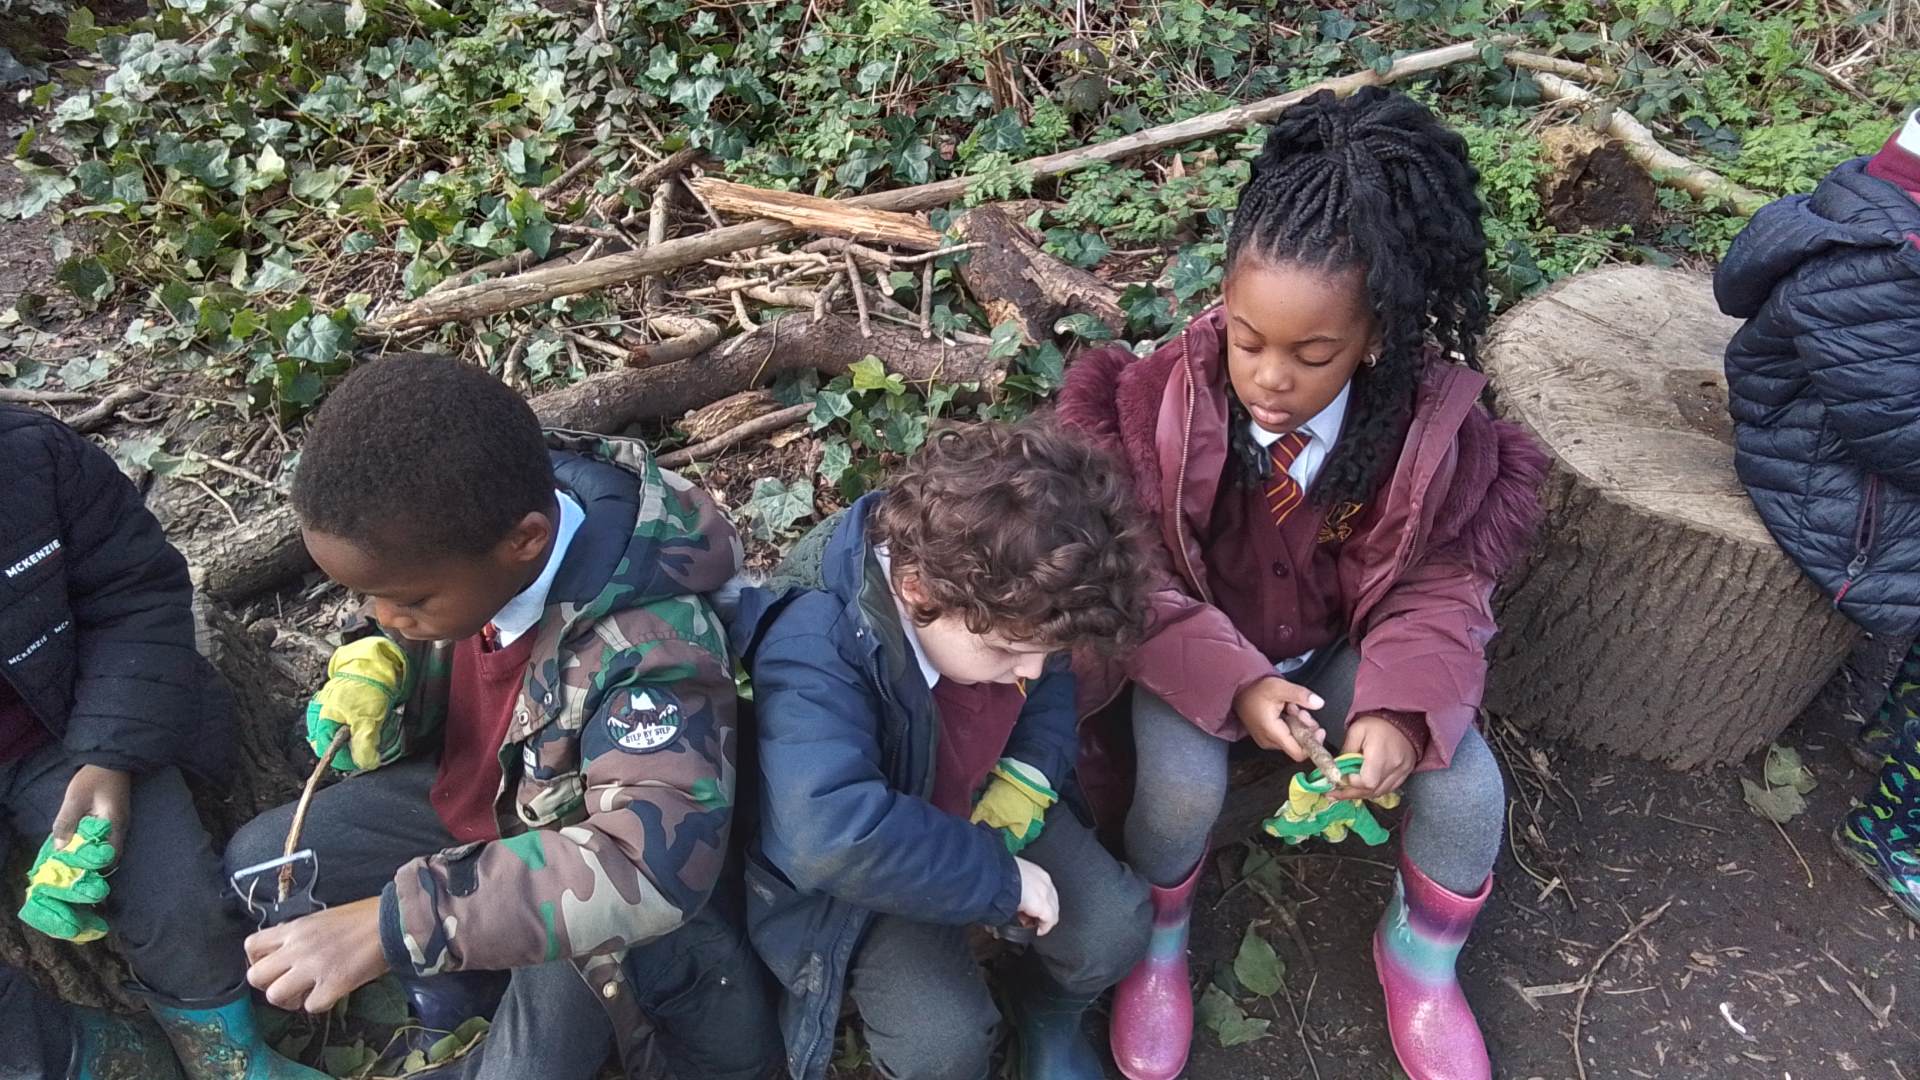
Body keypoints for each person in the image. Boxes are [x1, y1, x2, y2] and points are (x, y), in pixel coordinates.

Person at [1056, 87, 1549, 1080]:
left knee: (1466, 792)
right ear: (1224, 305)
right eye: (1248, 340)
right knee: (1179, 789)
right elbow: (1131, 574)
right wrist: (1235, 681)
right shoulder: (1159, 410)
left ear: (1375, 338)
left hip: (1338, 653)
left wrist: (1398, 711)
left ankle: (1421, 959)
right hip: (1196, 650)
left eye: (1312, 355)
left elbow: (1440, 585)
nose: (1270, 378)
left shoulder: (1424, 433)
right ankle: (1159, 940)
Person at [222, 355, 779, 1079]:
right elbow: (415, 614)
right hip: (478, 804)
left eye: (407, 603)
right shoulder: (463, 535)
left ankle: (474, 979)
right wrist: (383, 666)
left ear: (525, 542)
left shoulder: (651, 647)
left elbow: (652, 864)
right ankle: (460, 982)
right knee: (262, 865)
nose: (383, 616)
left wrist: (395, 927)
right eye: (366, 599)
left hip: (574, 874)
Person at [727, 421, 1157, 1080]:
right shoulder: (816, 641)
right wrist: (1000, 880)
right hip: (879, 862)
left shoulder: (1010, 605)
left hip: (981, 799)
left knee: (1114, 929)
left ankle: (1046, 1012)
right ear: (919, 593)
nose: (1032, 670)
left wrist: (1029, 770)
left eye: (1045, 650)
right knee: (941, 1046)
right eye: (1009, 652)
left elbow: (1047, 678)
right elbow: (825, 833)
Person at [0, 403, 325, 1079]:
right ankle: (95, 1058)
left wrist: (110, 754)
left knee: (177, 899)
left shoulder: (31, 457)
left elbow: (135, 592)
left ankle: (226, 1056)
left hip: (67, 727)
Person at [1716, 107, 1920, 921]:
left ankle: (1891, 739)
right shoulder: (1874, 270)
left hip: (1863, 464)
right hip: (1826, 478)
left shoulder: (1894, 235)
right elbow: (1902, 434)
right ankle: (1897, 834)